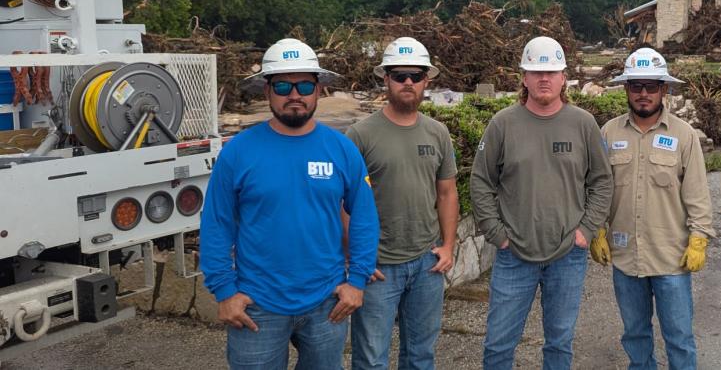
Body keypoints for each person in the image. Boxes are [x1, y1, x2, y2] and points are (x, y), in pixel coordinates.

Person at [201, 38, 379, 369]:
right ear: (266, 91)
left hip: (326, 304)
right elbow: (216, 224)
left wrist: (357, 281)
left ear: (318, 90)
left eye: (304, 85)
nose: (294, 94)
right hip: (257, 305)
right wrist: (224, 291)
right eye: (282, 85)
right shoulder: (238, 152)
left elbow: (365, 218)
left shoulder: (341, 149)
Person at [470, 36, 614, 370]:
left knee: (560, 345)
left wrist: (587, 230)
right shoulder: (502, 124)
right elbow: (481, 181)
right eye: (536, 71)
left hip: (568, 255)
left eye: (551, 71)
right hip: (513, 255)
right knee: (497, 346)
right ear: (524, 77)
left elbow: (602, 181)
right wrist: (498, 234)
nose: (544, 78)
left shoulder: (583, 124)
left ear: (564, 77)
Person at [592, 47, 713, 370]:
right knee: (635, 335)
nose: (643, 94)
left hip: (671, 258)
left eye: (651, 86)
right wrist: (597, 230)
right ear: (626, 90)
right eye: (636, 86)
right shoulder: (608, 133)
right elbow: (599, 188)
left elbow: (698, 194)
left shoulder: (683, 135)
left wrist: (699, 238)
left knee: (679, 337)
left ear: (665, 90)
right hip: (626, 257)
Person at [347, 37, 459, 370]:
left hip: (427, 264)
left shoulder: (438, 133)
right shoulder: (360, 135)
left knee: (421, 355)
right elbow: (344, 202)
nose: (408, 82)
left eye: (416, 75)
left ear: (427, 80)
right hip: (377, 267)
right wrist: (355, 257)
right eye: (399, 75)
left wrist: (449, 246)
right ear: (386, 79)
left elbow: (447, 193)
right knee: (371, 359)